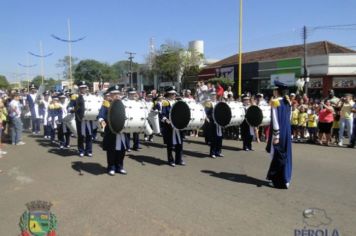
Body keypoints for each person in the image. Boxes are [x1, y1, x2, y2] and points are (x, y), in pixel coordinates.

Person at [266, 81, 292, 189]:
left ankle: (278, 180)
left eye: (274, 90)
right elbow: (289, 118)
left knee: (276, 155)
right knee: (286, 153)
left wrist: (276, 135)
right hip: (286, 130)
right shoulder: (288, 101)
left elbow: (275, 120)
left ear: (277, 91)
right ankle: (286, 178)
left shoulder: (275, 102)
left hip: (279, 132)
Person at [98, 85, 127, 175]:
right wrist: (102, 124)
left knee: (122, 150)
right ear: (110, 95)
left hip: (122, 131)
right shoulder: (106, 104)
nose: (117, 95)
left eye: (118, 93)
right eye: (114, 94)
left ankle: (119, 166)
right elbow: (100, 116)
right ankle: (111, 167)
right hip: (111, 130)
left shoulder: (124, 103)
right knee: (111, 150)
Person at [160, 87, 185, 167]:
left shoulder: (177, 102)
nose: (174, 95)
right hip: (169, 127)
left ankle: (179, 159)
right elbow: (162, 114)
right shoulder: (165, 102)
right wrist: (166, 120)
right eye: (172, 94)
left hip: (178, 126)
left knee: (180, 143)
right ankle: (171, 160)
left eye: (174, 94)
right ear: (168, 94)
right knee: (170, 145)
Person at [204, 91, 223, 158]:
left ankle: (218, 152)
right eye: (213, 95)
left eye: (215, 95)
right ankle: (212, 153)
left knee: (220, 138)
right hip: (213, 122)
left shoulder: (218, 103)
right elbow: (206, 112)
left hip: (219, 123)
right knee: (214, 138)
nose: (214, 96)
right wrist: (207, 118)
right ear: (211, 96)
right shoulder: (209, 103)